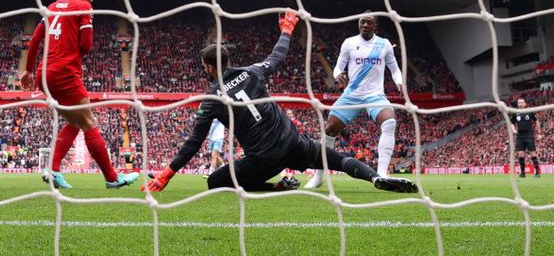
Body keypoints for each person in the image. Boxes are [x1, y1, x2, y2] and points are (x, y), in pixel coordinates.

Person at [144, 11, 417, 194]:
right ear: (227, 60)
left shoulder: (211, 99)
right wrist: (286, 29)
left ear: (207, 67)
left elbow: (194, 141)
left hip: (263, 159)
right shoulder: (252, 71)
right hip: (293, 143)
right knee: (338, 159)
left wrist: (167, 173)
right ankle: (375, 177)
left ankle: (277, 186)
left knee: (215, 182)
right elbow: (278, 55)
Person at [21, 0, 138, 190]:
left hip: (43, 73)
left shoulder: (53, 6)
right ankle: (112, 178)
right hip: (64, 72)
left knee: (74, 122)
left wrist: (28, 71)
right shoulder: (83, 7)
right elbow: (86, 45)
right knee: (89, 122)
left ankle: (53, 170)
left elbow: (36, 39)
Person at [306, 12, 403, 189]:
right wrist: (338, 75)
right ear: (359, 25)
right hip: (352, 94)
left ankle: (382, 174)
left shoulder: (384, 44)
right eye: (362, 22)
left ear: (376, 26)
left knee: (389, 121)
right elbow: (338, 67)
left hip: (375, 94)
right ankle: (318, 175)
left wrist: (399, 82)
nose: (365, 25)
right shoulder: (349, 43)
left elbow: (394, 68)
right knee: (329, 129)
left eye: (369, 23)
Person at [510, 97, 542, 178]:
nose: (520, 104)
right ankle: (523, 173)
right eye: (519, 102)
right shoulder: (515, 113)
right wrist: (513, 130)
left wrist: (539, 132)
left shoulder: (529, 111)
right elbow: (512, 123)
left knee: (532, 153)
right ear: (518, 104)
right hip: (520, 136)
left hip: (529, 136)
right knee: (521, 154)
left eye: (522, 102)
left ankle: (537, 172)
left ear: (525, 104)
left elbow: (536, 121)